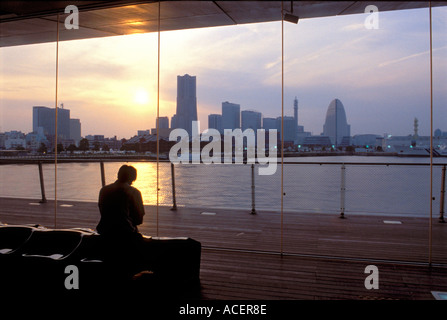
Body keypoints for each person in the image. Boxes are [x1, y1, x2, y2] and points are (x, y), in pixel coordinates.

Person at [96, 165, 149, 279]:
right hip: (125, 234)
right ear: (133, 178)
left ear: (118, 175)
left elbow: (102, 211)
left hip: (105, 232)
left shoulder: (104, 190)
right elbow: (139, 219)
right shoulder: (134, 192)